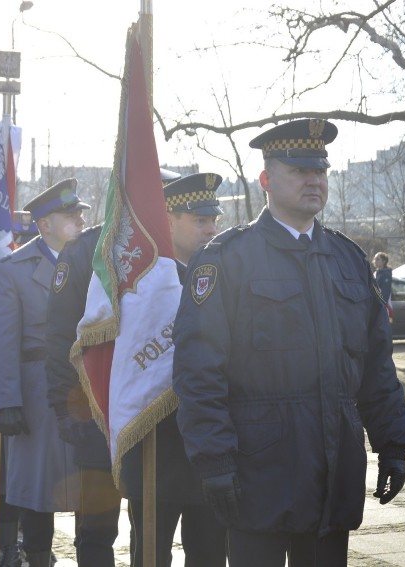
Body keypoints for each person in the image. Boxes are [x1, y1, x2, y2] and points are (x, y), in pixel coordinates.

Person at [172, 119, 405, 567]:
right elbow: (198, 371)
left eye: (320, 171)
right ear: (266, 180)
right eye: (300, 171)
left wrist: (393, 443)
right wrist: (214, 462)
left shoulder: (346, 259)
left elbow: (376, 365)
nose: (314, 181)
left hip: (333, 470)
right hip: (259, 472)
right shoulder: (227, 259)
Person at [45, 168, 182, 566]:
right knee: (97, 528)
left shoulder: (175, 253)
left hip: (157, 413)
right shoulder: (85, 251)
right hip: (96, 414)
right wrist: (65, 408)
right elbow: (58, 340)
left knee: (152, 528)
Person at [120, 172, 227, 567]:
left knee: (210, 554)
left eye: (213, 219)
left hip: (210, 447)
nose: (211, 228)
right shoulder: (141, 283)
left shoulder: (221, 273)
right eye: (200, 220)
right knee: (150, 554)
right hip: (155, 446)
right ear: (169, 219)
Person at [0, 178, 86, 567]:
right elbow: (2, 340)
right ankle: (38, 556)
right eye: (70, 215)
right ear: (44, 224)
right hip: (37, 387)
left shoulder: (94, 262)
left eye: (80, 214)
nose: (79, 221)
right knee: (37, 487)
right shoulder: (12, 269)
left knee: (90, 482)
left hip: (86, 387)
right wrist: (7, 401)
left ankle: (89, 555)